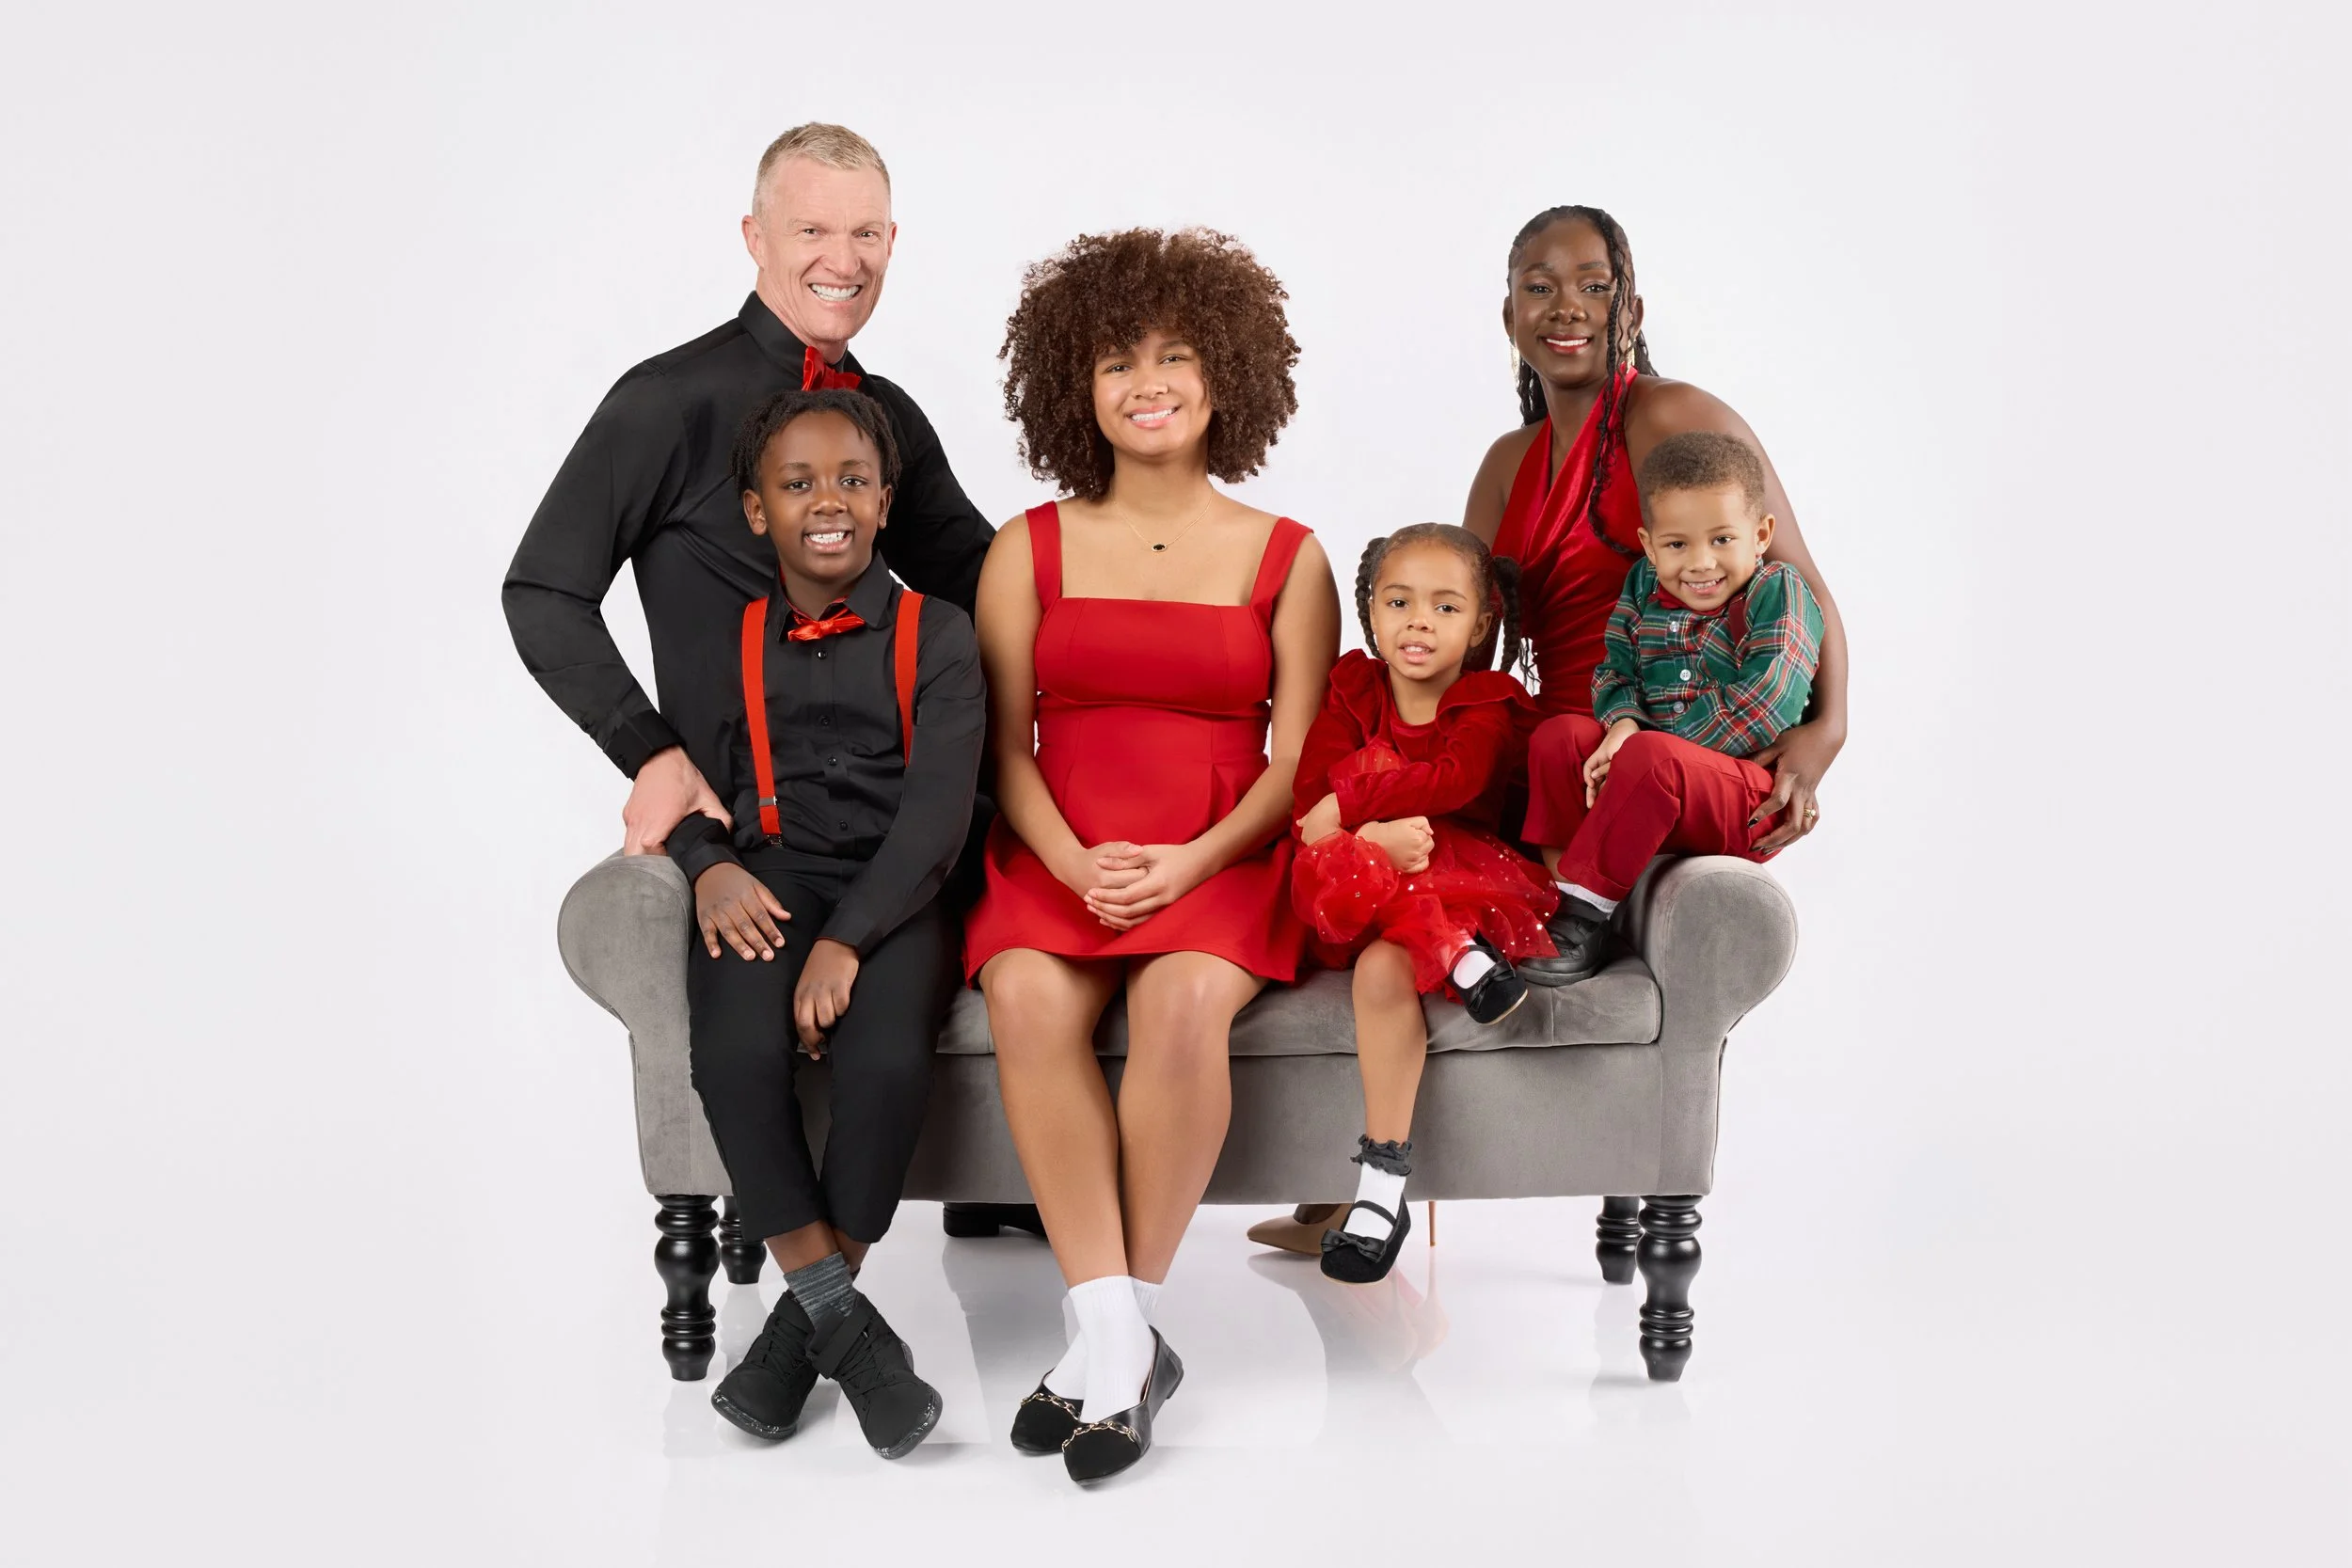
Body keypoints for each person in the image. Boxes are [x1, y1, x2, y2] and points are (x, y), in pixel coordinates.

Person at [1249, 202, 1851, 1253]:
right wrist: (1398, 764)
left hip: (1669, 746)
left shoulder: (1669, 415)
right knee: (1366, 865)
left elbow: (1789, 571)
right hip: (1553, 745)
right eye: (1539, 285)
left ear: (1631, 304)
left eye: (1592, 283)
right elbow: (1457, 632)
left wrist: (1823, 734)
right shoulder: (1506, 460)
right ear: (1507, 312)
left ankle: (1376, 1176)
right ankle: (1364, 1161)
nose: (1565, 307)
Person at [503, 121, 1037, 1242]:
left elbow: (986, 580)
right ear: (754, 236)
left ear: (894, 242)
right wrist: (650, 749)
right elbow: (542, 589)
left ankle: (1008, 1186)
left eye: (865, 233)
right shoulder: (665, 398)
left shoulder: (886, 415)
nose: (841, 258)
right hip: (750, 824)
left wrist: (1141, 562)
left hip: (900, 817)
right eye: (810, 229)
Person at [964, 228, 1339, 1483]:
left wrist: (1186, 865)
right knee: (1023, 989)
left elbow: (1297, 761)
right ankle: (1121, 1336)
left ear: (1227, 373)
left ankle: (1104, 1346)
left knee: (1183, 1002)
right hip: (1061, 851)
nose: (1149, 381)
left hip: (1222, 855)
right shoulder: (1026, 547)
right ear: (1078, 383)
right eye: (1118, 359)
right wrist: (1073, 862)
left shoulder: (1290, 553)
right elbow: (1004, 744)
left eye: (1178, 354)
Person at [679, 388, 984, 1459]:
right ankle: (851, 1337)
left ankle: (789, 1336)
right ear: (757, 509)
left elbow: (938, 821)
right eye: (797, 482)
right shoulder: (734, 637)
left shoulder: (939, 634)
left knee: (890, 1061)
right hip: (774, 873)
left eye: (852, 480)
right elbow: (687, 784)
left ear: (886, 501)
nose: (827, 501)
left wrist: (848, 939)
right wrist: (707, 864)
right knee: (728, 1047)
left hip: (901, 886)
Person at [1291, 524, 1557, 1283]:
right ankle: (1465, 965)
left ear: (1479, 625)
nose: (1418, 621)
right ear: (1369, 610)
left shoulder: (1486, 701)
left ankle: (1381, 1186)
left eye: (1445, 608)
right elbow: (1308, 806)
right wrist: (1367, 832)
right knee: (1339, 855)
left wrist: (1351, 802)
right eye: (1399, 601)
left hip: (1454, 876)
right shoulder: (1352, 690)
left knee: (1383, 972)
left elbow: (1457, 780)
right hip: (1351, 892)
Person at [1521, 431, 1822, 977]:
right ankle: (1560, 893)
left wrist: (1644, 753)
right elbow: (1615, 667)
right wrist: (1622, 726)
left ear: (1761, 535)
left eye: (1723, 540)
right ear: (1649, 543)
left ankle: (1583, 917)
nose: (1701, 563)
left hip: (1743, 790)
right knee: (1559, 739)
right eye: (1678, 544)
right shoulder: (1641, 586)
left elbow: (1767, 700)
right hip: (1648, 776)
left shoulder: (1779, 589)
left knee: (1653, 758)